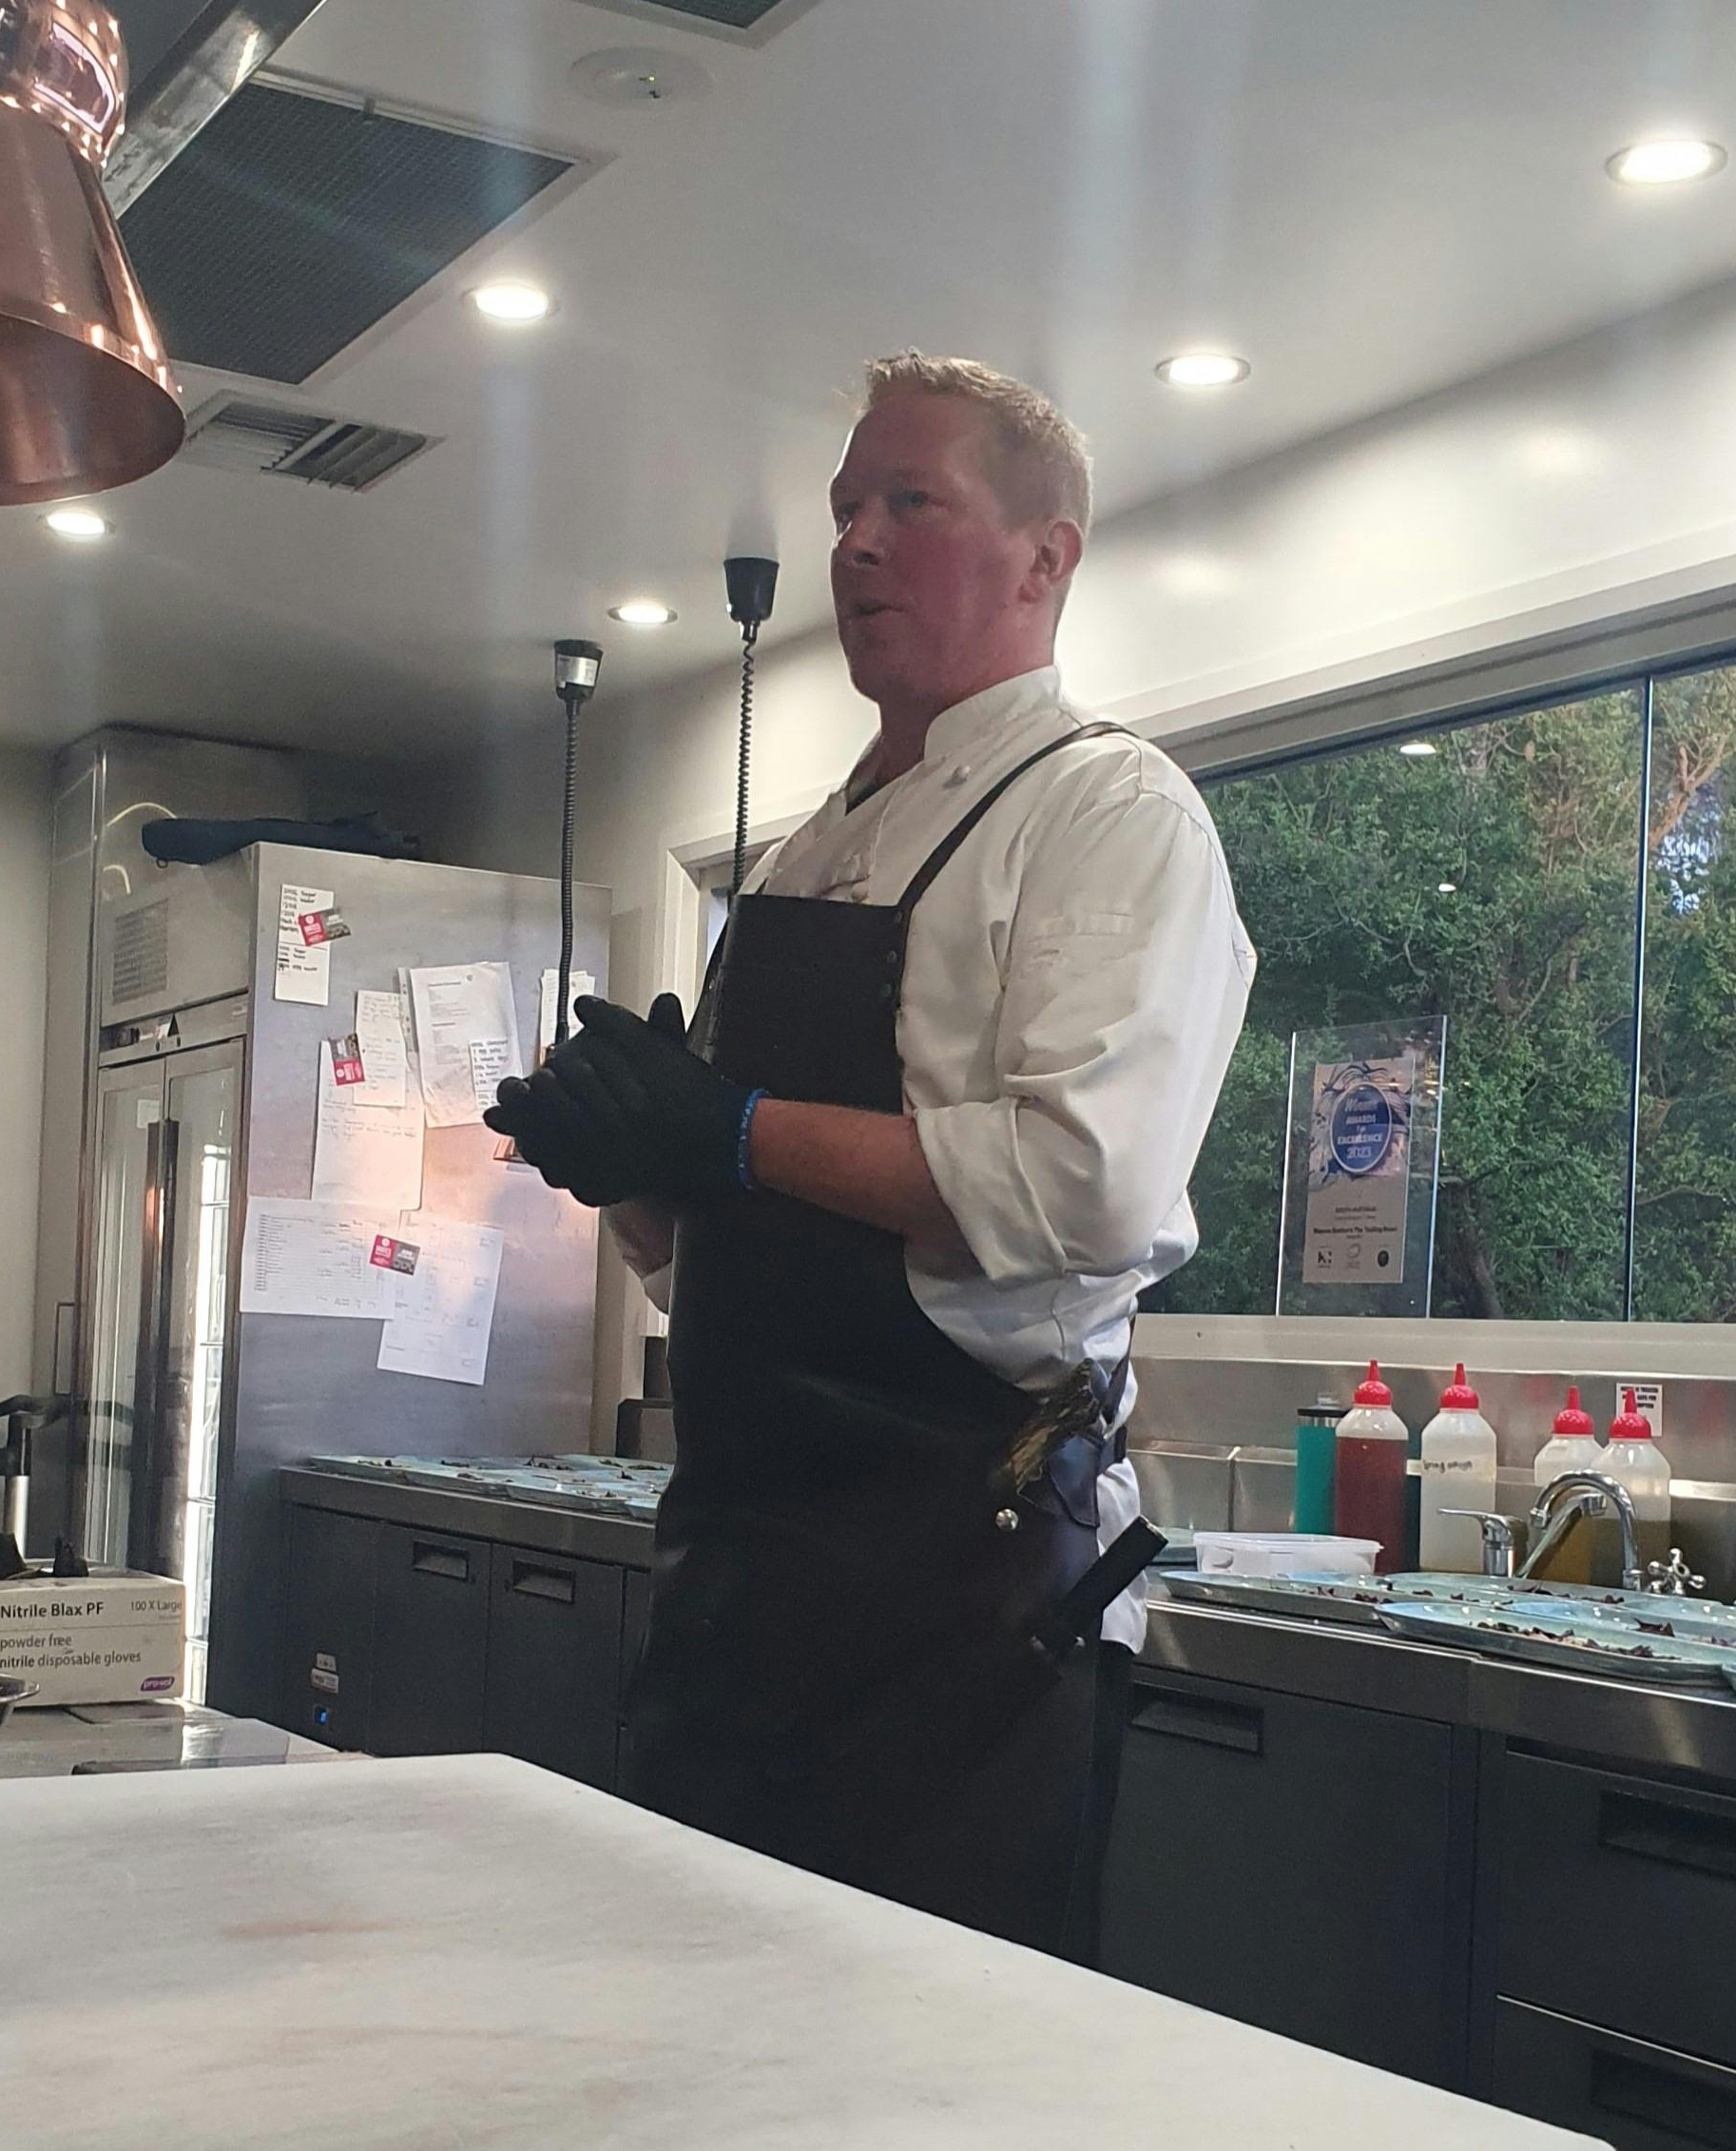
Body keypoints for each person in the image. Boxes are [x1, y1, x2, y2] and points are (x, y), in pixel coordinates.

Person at [486, 352, 1255, 1960]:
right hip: (738, 1565)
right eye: (846, 507)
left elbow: (1085, 1185)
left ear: (1044, 558)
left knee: (920, 2055)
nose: (855, 542)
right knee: (695, 2020)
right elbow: (717, 1259)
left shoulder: (1109, 812)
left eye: (913, 500)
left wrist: (733, 1128)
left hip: (962, 1600)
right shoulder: (804, 852)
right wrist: (633, 1170)